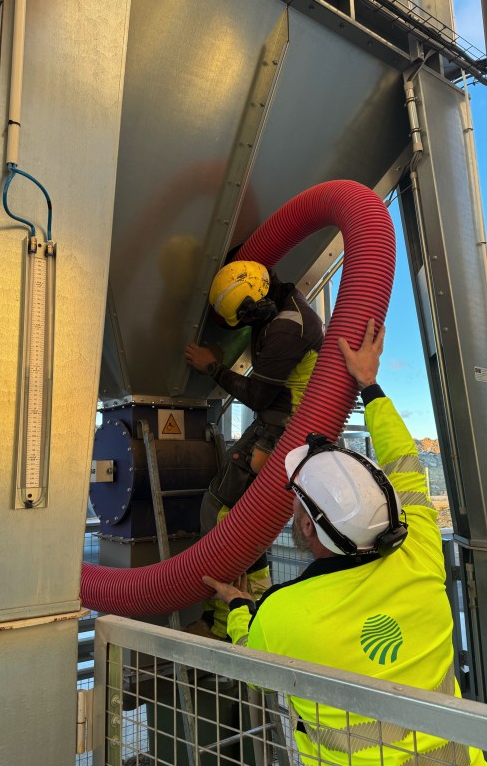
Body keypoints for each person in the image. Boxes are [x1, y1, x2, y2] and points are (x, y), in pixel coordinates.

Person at [203, 319, 485, 766]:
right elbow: (407, 464)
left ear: (307, 528)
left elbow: (250, 658)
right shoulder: (420, 554)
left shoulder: (284, 613)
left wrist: (238, 606)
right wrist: (369, 385)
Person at [184, 260, 324, 640]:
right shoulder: (272, 300)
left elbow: (259, 396)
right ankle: (248, 610)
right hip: (281, 426)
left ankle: (223, 621)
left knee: (220, 508)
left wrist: (213, 367)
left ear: (256, 304)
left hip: (283, 431)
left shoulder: (287, 327)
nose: (244, 324)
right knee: (246, 521)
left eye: (244, 317)